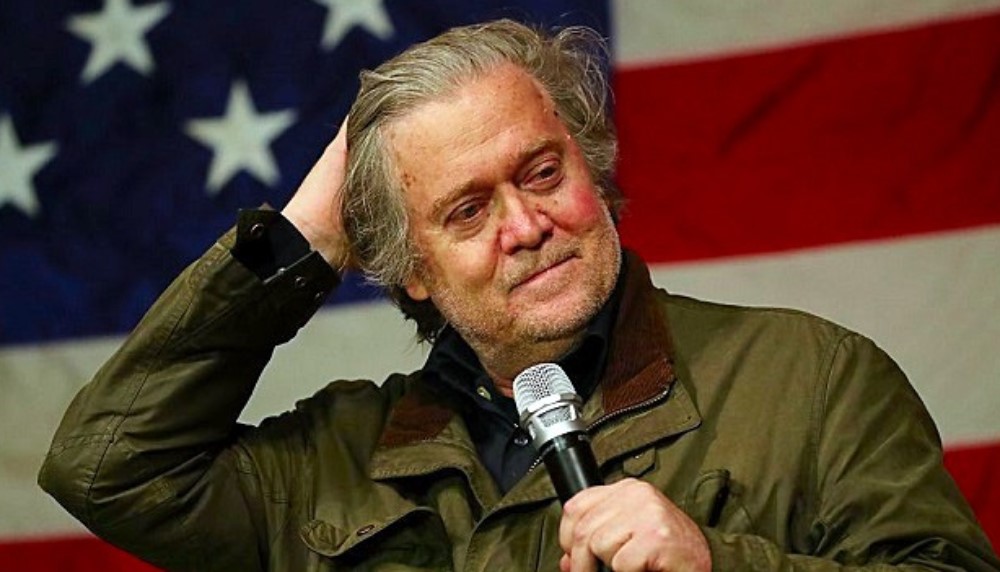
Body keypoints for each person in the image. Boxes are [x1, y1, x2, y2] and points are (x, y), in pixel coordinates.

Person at [39, 19, 999, 572]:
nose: (527, 225)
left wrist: (720, 561)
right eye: (466, 211)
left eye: (542, 173)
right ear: (410, 269)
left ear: (593, 168)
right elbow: (110, 469)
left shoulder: (811, 378)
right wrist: (306, 240)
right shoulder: (336, 459)